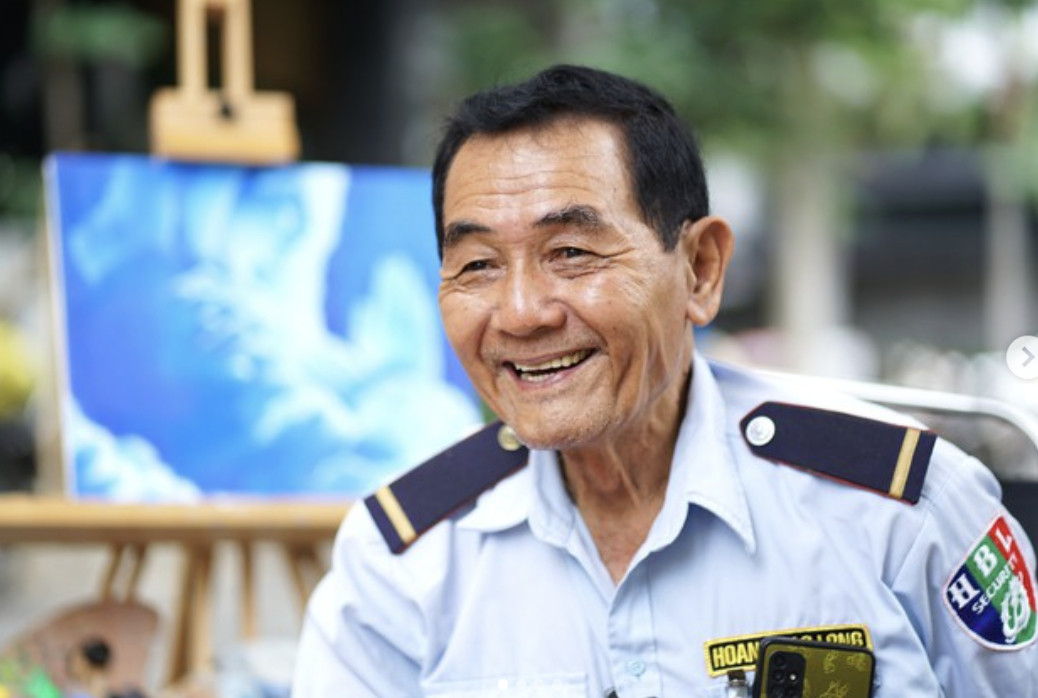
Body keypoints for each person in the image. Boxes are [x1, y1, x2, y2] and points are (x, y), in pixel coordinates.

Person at [291, 64, 1037, 697]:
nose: (520, 313)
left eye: (571, 252)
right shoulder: (403, 565)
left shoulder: (899, 513)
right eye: (478, 265)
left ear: (700, 270)